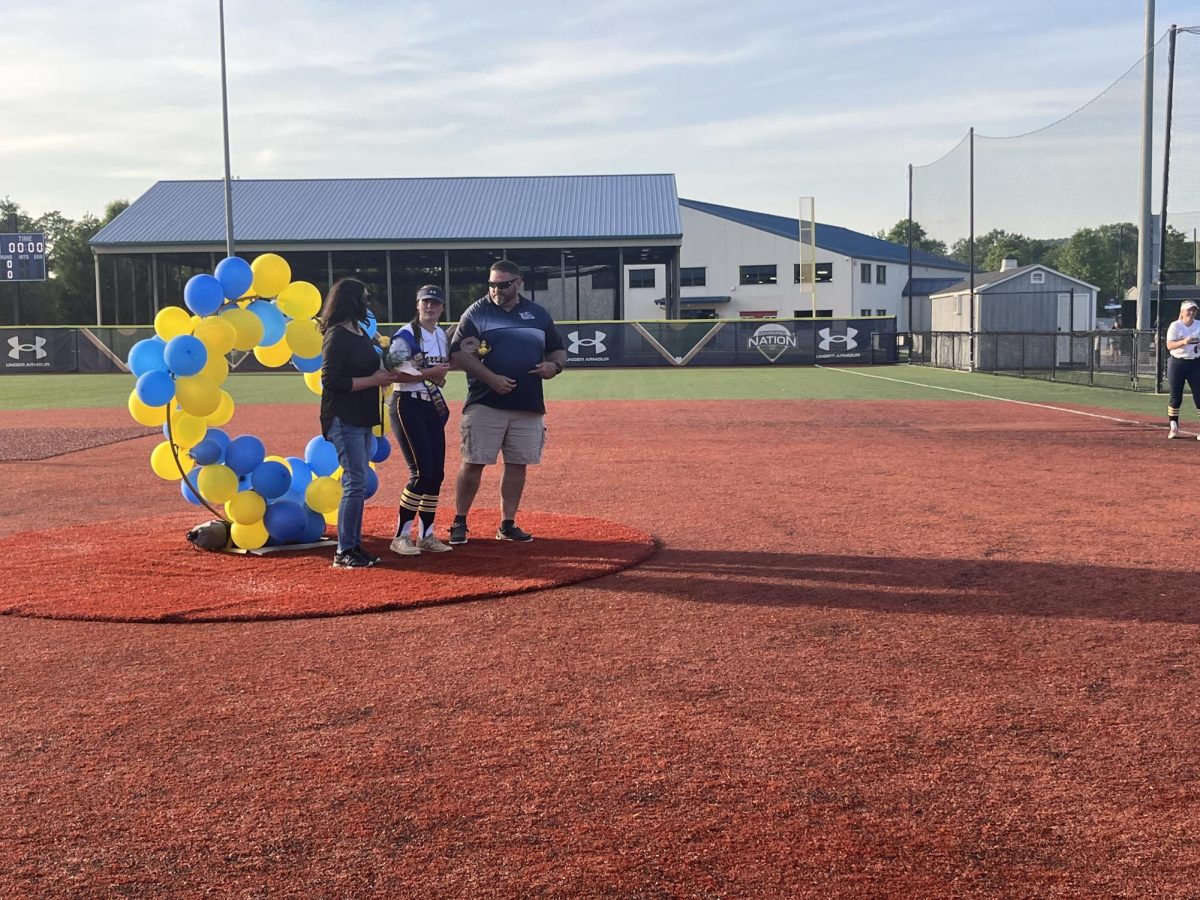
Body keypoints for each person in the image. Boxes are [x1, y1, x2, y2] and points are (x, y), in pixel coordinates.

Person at [447, 260, 566, 544]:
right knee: (473, 462)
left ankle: (507, 523)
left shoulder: (537, 314)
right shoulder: (477, 311)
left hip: (527, 403)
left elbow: (557, 350)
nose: (496, 290)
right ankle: (459, 521)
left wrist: (554, 367)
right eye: (492, 284)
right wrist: (491, 378)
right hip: (485, 402)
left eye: (503, 284)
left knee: (517, 464)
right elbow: (459, 354)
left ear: (518, 282)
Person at [319, 278, 402, 567]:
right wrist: (373, 380)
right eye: (364, 298)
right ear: (351, 301)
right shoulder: (337, 336)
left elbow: (373, 367)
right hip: (344, 416)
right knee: (355, 481)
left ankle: (353, 545)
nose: (367, 303)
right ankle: (344, 550)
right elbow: (330, 380)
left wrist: (388, 372)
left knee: (358, 480)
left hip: (363, 416)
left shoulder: (358, 332)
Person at [386, 285, 455, 556]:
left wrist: (436, 374)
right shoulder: (405, 335)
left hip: (430, 406)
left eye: (435, 303)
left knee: (436, 474)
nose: (430, 307)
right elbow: (393, 374)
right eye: (425, 302)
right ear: (417, 304)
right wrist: (430, 372)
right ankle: (401, 536)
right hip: (407, 404)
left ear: (442, 308)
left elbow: (437, 371)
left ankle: (426, 535)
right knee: (420, 473)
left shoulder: (439, 333)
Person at [1165, 299, 1200, 440]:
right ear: (1182, 312)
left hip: (1195, 363)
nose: (1191, 312)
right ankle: (1173, 427)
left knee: (1199, 396)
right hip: (1178, 363)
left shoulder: (1198, 325)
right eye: (1188, 310)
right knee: (1175, 396)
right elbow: (1169, 345)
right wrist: (1183, 342)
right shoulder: (1175, 326)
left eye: (1194, 310)